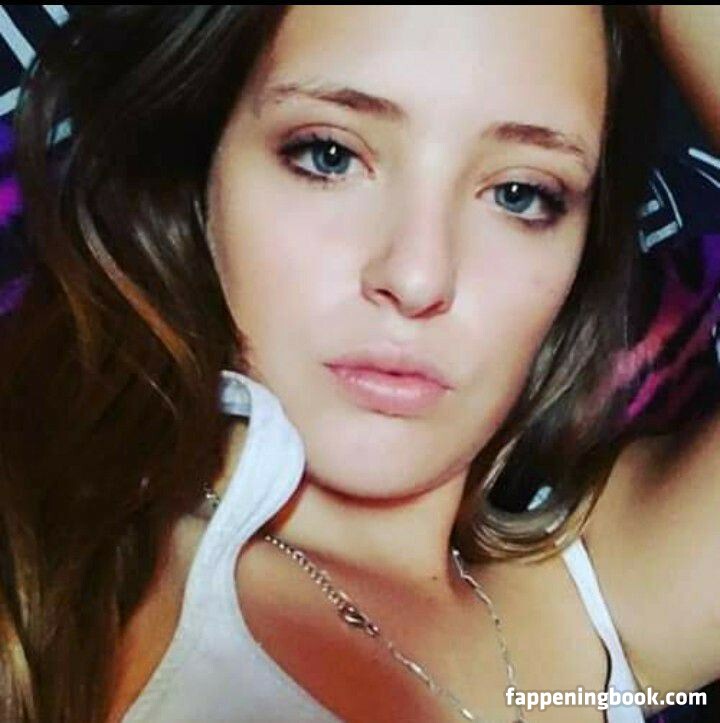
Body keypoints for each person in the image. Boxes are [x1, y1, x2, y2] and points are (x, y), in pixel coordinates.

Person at [0, 5, 718, 723]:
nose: (417, 277)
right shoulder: (43, 579)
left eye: (520, 194)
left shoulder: (599, 609)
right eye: (330, 156)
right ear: (201, 167)